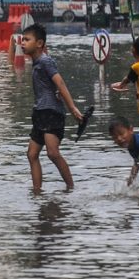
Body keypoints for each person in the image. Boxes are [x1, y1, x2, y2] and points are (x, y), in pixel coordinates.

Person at [20, 24, 84, 192]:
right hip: (40, 112)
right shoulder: (38, 61)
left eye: (27, 40)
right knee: (32, 154)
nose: (22, 43)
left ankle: (71, 188)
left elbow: (60, 83)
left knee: (52, 153)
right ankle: (37, 192)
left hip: (52, 112)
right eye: (22, 39)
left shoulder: (45, 61)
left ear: (39, 43)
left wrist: (72, 108)